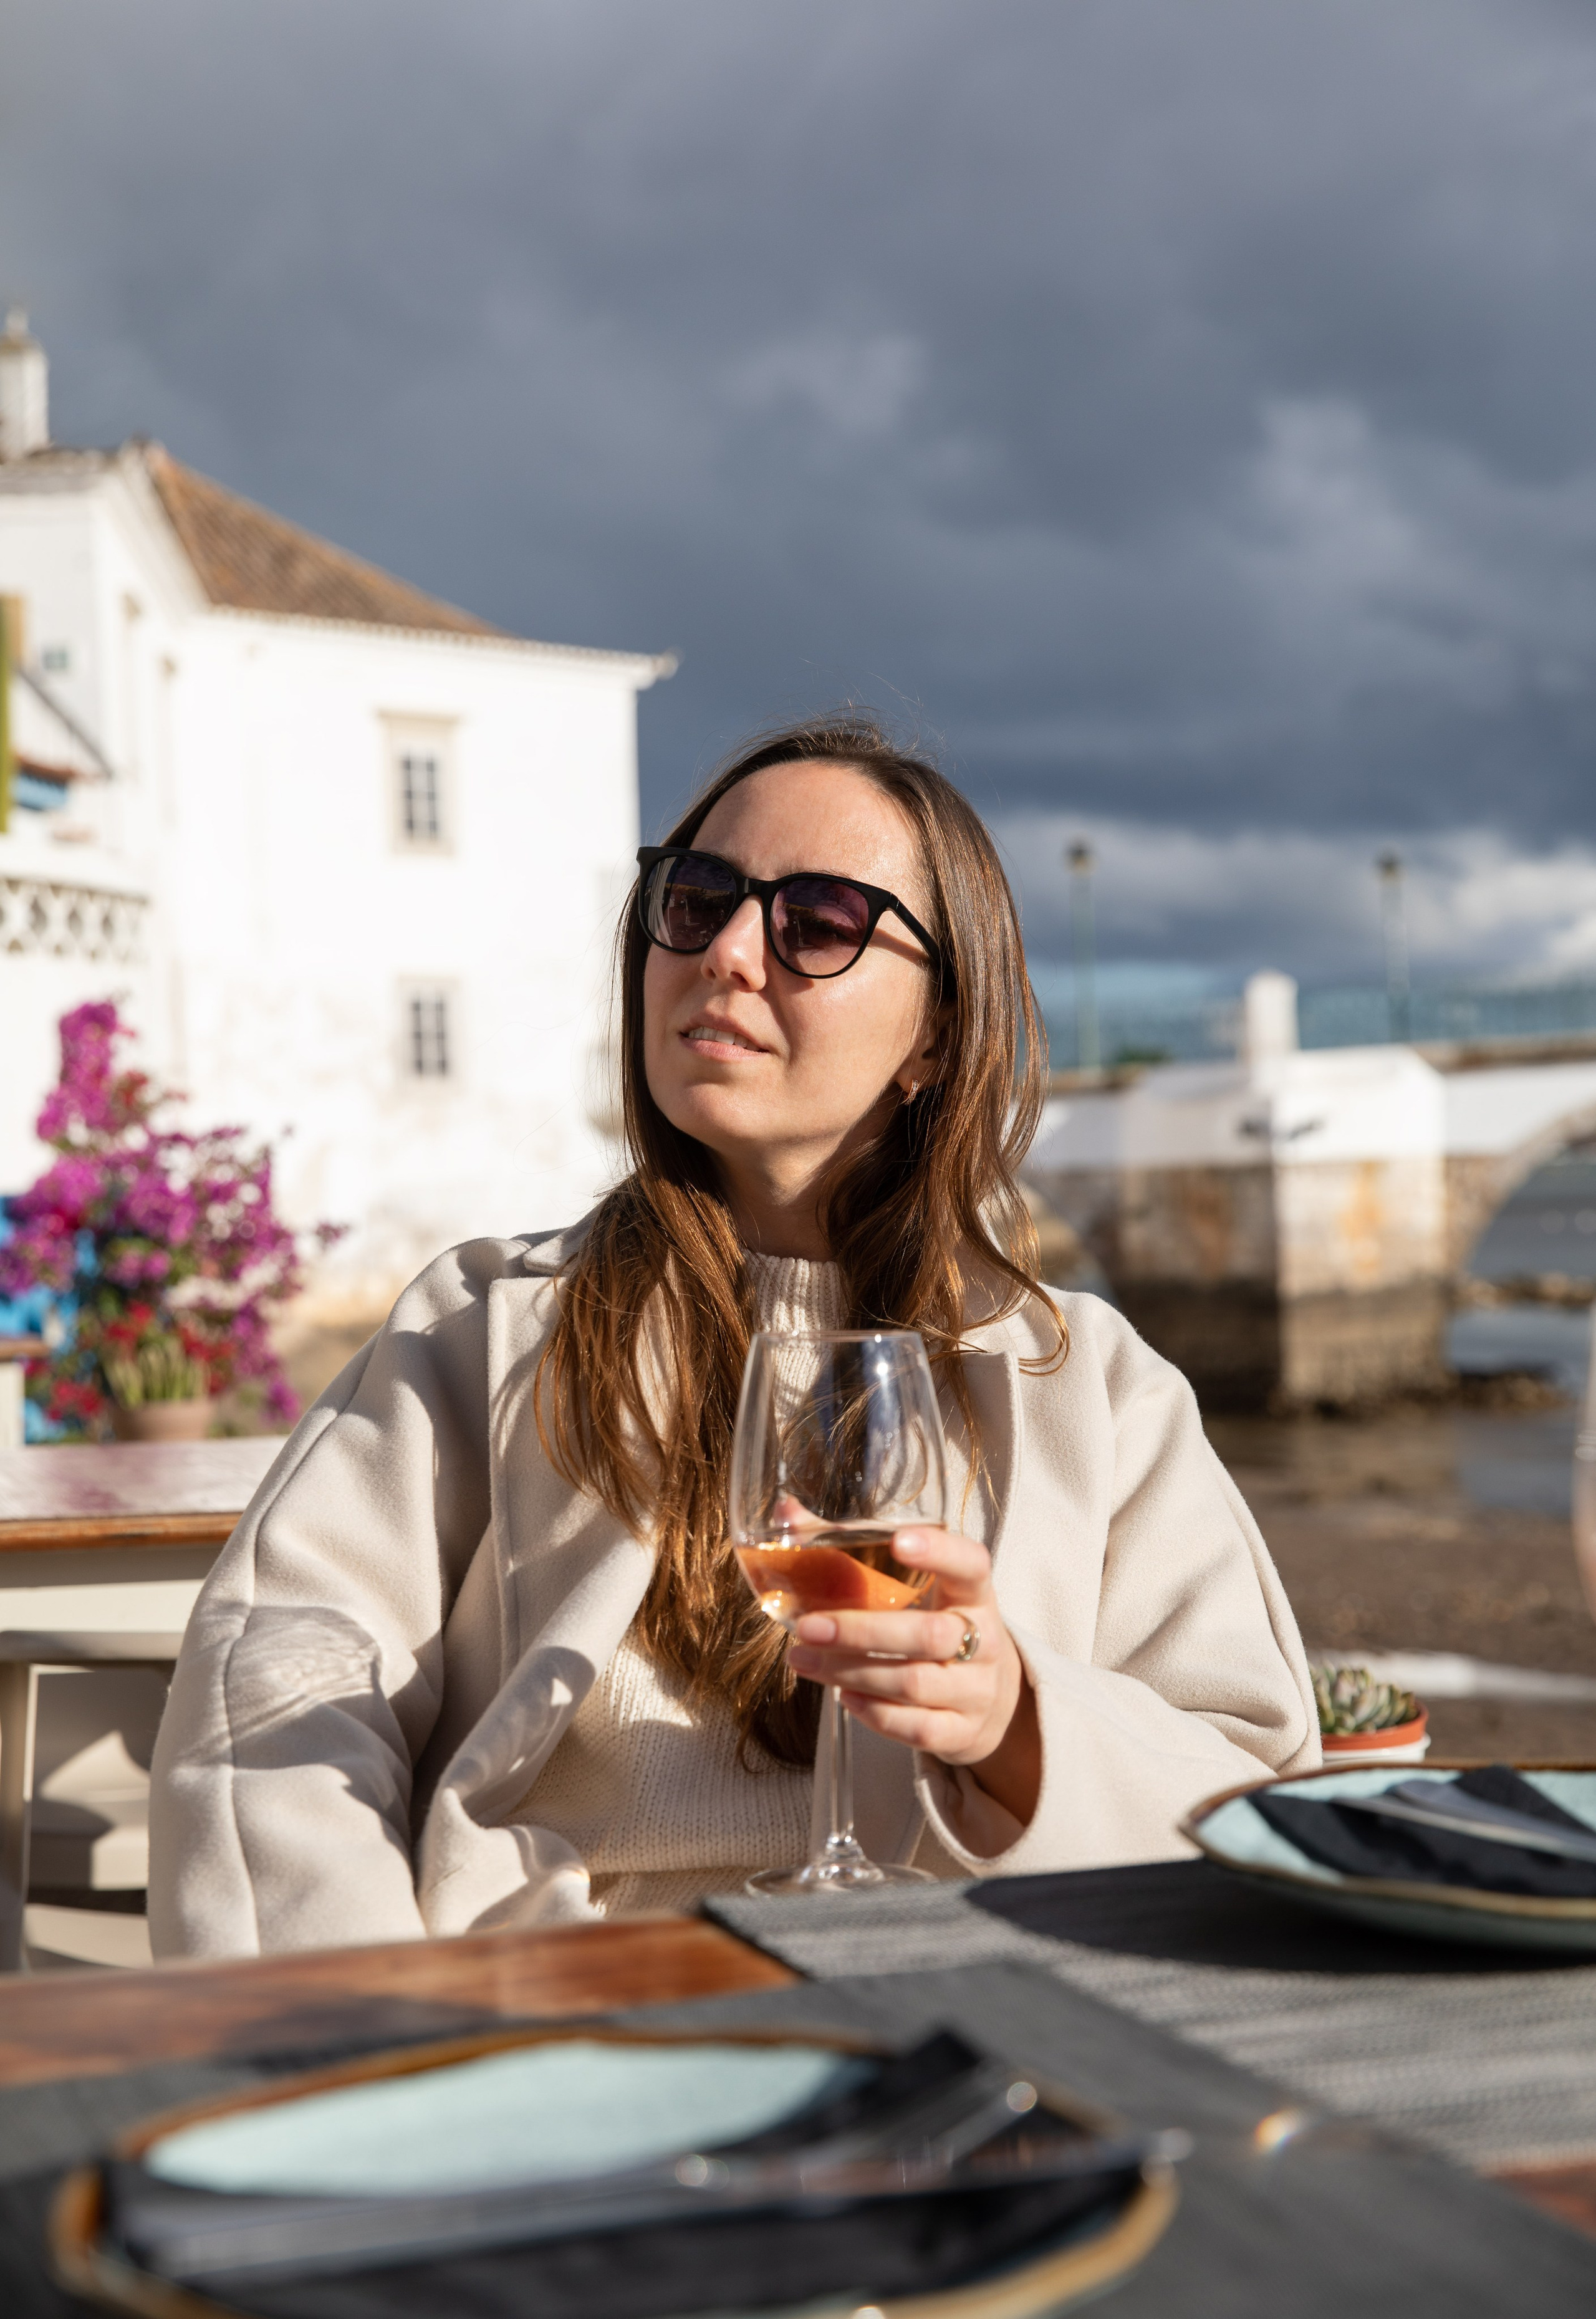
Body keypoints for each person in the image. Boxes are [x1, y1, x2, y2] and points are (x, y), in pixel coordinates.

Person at [149, 716, 1318, 1956]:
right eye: (697, 898)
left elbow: (1258, 1791)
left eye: (818, 922)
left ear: (934, 1033)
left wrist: (1016, 1719)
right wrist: (372, 2041)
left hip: (968, 2000)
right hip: (560, 2009)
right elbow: (270, 1697)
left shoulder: (1089, 1388)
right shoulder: (484, 1332)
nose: (728, 953)